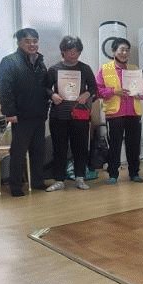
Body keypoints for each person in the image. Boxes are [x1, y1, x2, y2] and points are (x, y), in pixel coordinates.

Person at [0, 28, 50, 196]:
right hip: (20, 116)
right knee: (18, 153)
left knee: (38, 151)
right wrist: (9, 112)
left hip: (39, 114)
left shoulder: (40, 62)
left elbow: (45, 87)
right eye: (28, 41)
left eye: (35, 41)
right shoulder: (9, 61)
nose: (32, 44)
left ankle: (37, 181)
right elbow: (4, 89)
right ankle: (15, 186)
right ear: (19, 43)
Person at [45, 36, 97, 192]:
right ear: (63, 52)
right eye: (69, 51)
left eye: (76, 51)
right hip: (58, 115)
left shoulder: (85, 69)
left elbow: (93, 88)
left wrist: (86, 94)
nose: (72, 54)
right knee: (59, 148)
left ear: (80, 52)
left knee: (80, 147)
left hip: (79, 114)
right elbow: (44, 88)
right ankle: (59, 179)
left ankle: (80, 177)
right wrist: (52, 95)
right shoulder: (54, 69)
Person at [96, 37, 143, 184]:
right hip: (114, 113)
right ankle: (113, 174)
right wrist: (114, 91)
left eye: (127, 50)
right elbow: (98, 91)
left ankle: (134, 173)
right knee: (114, 145)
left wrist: (140, 94)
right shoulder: (105, 69)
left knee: (134, 144)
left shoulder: (134, 69)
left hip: (133, 112)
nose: (124, 53)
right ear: (114, 51)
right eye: (121, 50)